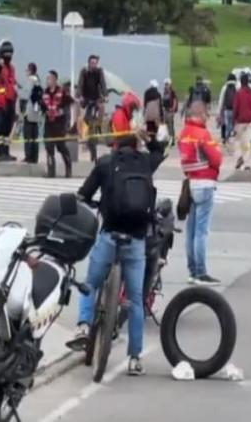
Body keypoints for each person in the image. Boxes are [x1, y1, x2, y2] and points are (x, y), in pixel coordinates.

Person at [69, 129, 165, 376]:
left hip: (110, 235)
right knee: (134, 301)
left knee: (90, 283)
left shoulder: (105, 163)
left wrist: (92, 202)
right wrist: (148, 138)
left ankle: (82, 325)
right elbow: (160, 150)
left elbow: (84, 193)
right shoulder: (145, 162)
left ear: (115, 147)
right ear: (135, 147)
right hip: (136, 241)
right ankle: (134, 359)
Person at [178, 100, 223, 286]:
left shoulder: (183, 134)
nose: (208, 118)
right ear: (199, 114)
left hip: (192, 182)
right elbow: (216, 159)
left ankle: (192, 270)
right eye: (206, 114)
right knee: (201, 232)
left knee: (191, 231)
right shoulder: (202, 134)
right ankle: (201, 272)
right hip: (205, 183)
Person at [42, 71, 74, 178]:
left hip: (59, 124)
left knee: (61, 147)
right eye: (47, 79)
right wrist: (43, 111)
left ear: (55, 80)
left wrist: (63, 111)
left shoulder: (62, 92)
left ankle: (68, 169)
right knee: (49, 147)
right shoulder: (45, 92)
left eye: (50, 78)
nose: (48, 81)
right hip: (48, 124)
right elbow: (42, 106)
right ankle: (51, 172)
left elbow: (70, 102)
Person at [77, 54, 108, 162]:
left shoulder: (99, 72)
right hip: (86, 100)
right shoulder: (84, 72)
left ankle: (97, 129)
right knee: (84, 120)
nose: (94, 65)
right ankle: (84, 136)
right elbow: (80, 84)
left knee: (96, 120)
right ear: (89, 63)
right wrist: (80, 96)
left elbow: (103, 84)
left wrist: (105, 95)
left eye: (96, 63)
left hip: (96, 99)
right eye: (92, 63)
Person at [232, 72, 251, 171]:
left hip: (240, 121)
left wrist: (233, 120)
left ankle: (240, 157)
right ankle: (247, 163)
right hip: (249, 121)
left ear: (240, 82)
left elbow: (236, 108)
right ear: (248, 82)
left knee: (238, 141)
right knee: (247, 142)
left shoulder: (238, 93)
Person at [21, 63, 43, 164]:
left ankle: (28, 156)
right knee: (35, 136)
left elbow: (25, 95)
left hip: (29, 112)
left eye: (27, 70)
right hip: (36, 113)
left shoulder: (30, 80)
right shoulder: (38, 81)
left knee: (28, 135)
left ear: (30, 70)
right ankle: (34, 157)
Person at [219, 73, 237, 146]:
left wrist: (220, 111)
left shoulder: (224, 87)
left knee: (226, 125)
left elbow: (221, 100)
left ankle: (225, 139)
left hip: (226, 110)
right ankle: (230, 139)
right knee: (232, 126)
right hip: (234, 110)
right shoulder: (236, 87)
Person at [162, 78, 179, 147]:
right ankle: (167, 140)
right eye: (165, 84)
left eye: (167, 84)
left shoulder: (172, 92)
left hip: (170, 111)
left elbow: (175, 100)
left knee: (170, 126)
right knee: (165, 126)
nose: (166, 86)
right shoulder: (165, 92)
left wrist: (173, 108)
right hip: (165, 110)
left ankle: (172, 140)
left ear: (170, 84)